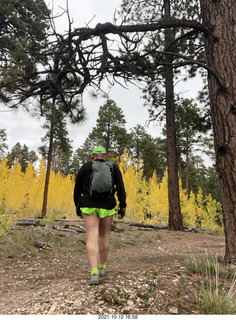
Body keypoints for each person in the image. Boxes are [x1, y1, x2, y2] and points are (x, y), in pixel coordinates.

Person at [73, 146, 126, 285]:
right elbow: (120, 187)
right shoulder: (113, 167)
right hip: (107, 205)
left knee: (91, 236)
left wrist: (77, 206)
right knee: (104, 235)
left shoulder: (85, 167)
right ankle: (102, 267)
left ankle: (94, 272)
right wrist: (122, 206)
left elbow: (77, 188)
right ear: (105, 156)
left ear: (93, 156)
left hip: (88, 204)